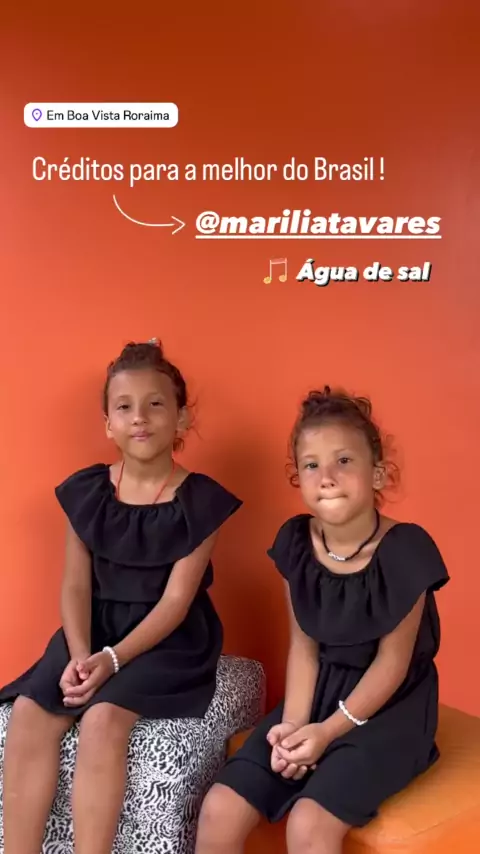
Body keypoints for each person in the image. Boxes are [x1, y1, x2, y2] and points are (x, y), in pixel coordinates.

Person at [0, 339, 242, 854]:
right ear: (108, 423)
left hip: (168, 638)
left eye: (155, 404)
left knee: (103, 719)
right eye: (125, 407)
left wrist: (112, 660)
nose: (140, 418)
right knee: (28, 713)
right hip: (93, 626)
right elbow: (74, 584)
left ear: (181, 417)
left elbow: (176, 602)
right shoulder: (88, 492)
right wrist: (81, 652)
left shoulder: (200, 501)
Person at [195, 386, 450, 854]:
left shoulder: (406, 550)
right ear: (297, 477)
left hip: (390, 706)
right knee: (220, 807)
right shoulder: (296, 543)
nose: (327, 477)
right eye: (312, 465)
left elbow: (392, 665)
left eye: (344, 461)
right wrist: (294, 726)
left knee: (309, 824)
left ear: (377, 472)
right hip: (317, 694)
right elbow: (304, 647)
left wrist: (328, 732)